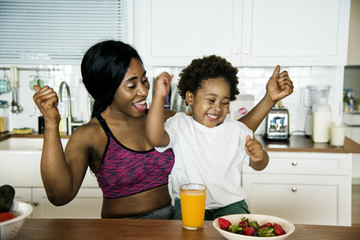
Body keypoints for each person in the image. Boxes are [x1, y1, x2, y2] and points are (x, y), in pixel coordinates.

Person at [32, 40, 293, 219]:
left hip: (172, 223)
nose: (144, 90)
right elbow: (59, 195)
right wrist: (52, 124)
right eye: (131, 85)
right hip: (120, 231)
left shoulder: (167, 119)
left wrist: (269, 99)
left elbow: (225, 133)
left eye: (144, 79)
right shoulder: (90, 134)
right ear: (106, 89)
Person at [145, 55, 277, 220]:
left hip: (231, 204)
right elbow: (155, 139)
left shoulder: (237, 130)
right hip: (189, 202)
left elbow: (259, 165)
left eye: (225, 102)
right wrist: (158, 96)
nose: (217, 108)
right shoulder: (179, 125)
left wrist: (260, 157)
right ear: (190, 98)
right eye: (211, 100)